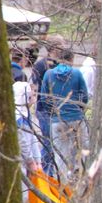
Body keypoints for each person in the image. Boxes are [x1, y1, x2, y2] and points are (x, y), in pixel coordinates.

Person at [42, 46, 89, 183]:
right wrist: (79, 109)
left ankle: (63, 183)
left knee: (60, 154)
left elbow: (44, 98)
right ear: (71, 59)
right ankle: (79, 179)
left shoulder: (48, 74)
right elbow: (84, 96)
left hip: (57, 120)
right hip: (76, 118)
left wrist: (52, 112)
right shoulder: (77, 74)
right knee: (80, 150)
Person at [31, 37, 61, 176]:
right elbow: (36, 87)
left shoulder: (59, 64)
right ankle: (44, 174)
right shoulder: (42, 65)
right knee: (48, 143)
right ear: (54, 47)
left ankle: (50, 174)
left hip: (57, 109)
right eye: (62, 45)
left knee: (54, 144)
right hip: (44, 109)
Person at [13, 80, 42, 203]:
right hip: (20, 160)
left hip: (27, 160)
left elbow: (33, 138)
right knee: (23, 196)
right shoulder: (17, 116)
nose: (33, 99)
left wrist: (38, 160)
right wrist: (31, 161)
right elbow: (22, 141)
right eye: (31, 96)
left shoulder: (26, 114)